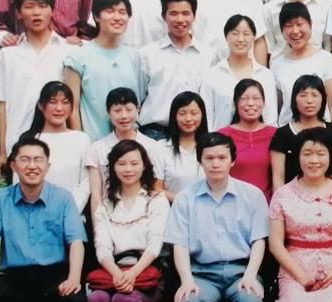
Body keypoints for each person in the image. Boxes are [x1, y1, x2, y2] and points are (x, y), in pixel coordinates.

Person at [0, 139, 87, 302]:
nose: (32, 166)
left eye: (38, 159)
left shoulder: (63, 198)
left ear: (47, 166)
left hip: (54, 276)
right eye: (25, 160)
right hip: (14, 278)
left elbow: (76, 241)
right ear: (13, 165)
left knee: (73, 299)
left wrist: (73, 279)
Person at [164, 132, 268, 302]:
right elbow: (179, 244)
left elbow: (259, 240)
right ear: (200, 161)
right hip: (200, 274)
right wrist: (187, 281)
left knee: (251, 299)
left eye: (222, 158)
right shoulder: (184, 198)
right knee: (189, 299)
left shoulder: (252, 195)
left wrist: (250, 276)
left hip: (241, 272)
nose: (215, 164)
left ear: (232, 161)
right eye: (209, 158)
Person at [0, 0, 73, 174]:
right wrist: (2, 152)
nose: (36, 12)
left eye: (43, 6)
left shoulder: (68, 52)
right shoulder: (8, 55)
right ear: (19, 13)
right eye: (29, 6)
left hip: (59, 146)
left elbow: (73, 103)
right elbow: (2, 106)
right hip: (18, 147)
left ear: (52, 11)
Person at [269, 127, 332, 301]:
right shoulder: (282, 194)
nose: (314, 160)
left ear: (330, 156)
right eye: (307, 154)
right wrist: (302, 277)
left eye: (321, 153)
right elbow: (275, 244)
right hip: (295, 273)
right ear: (298, 156)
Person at [88, 140, 170, 302]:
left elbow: (155, 244)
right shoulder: (105, 205)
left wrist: (132, 273)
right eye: (121, 164)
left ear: (144, 166)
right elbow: (102, 246)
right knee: (97, 298)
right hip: (113, 272)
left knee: (123, 299)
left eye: (134, 163)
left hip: (147, 273)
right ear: (113, 167)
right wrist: (117, 274)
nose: (128, 169)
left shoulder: (157, 200)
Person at [64, 0, 144, 141]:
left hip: (130, 145)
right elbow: (72, 108)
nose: (117, 17)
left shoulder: (135, 56)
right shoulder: (78, 57)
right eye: (110, 11)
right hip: (93, 143)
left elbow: (140, 102)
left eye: (122, 12)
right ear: (96, 16)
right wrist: (79, 143)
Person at [138, 0, 216, 140]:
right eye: (173, 13)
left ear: (194, 16)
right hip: (155, 133)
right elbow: (139, 96)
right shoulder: (148, 54)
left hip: (196, 133)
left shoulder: (208, 55)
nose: (180, 19)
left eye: (186, 13)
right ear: (164, 16)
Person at [86, 88, 163, 214]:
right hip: (109, 215)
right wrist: (98, 224)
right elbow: (96, 195)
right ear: (108, 112)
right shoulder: (96, 148)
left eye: (129, 109)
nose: (124, 116)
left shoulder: (152, 146)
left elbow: (155, 188)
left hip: (144, 214)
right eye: (117, 110)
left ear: (138, 109)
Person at [16, 81, 91, 211]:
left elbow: (86, 182)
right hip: (32, 213)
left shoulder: (81, 139)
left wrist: (69, 211)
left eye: (65, 102)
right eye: (53, 102)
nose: (59, 108)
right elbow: (18, 180)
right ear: (41, 105)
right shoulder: (29, 139)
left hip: (71, 214)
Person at [270, 2, 332, 129]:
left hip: (321, 133)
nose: (295, 31)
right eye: (288, 26)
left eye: (300, 24)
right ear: (282, 30)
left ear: (310, 24)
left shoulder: (326, 59)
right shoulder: (277, 64)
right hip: (289, 132)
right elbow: (279, 106)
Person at [199, 15, 278, 128]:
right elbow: (207, 117)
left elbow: (271, 118)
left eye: (246, 34)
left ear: (253, 38)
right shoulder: (212, 75)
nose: (240, 39)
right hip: (220, 138)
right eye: (235, 33)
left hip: (258, 138)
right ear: (226, 37)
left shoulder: (265, 75)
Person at [270, 75, 332, 190]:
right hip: (292, 196)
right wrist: (281, 200)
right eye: (303, 95)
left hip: (328, 195)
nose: (309, 101)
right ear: (294, 99)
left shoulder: (331, 130)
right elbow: (278, 178)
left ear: (323, 98)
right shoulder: (283, 134)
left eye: (314, 95)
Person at [217, 79, 277, 200]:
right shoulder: (222, 136)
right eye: (244, 98)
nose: (250, 103)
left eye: (256, 98)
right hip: (231, 203)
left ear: (264, 103)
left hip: (266, 205)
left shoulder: (276, 134)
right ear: (236, 103)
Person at [156, 92, 208, 201]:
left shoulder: (211, 146)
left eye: (194, 113)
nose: (188, 118)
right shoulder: (160, 148)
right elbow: (156, 188)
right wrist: (182, 202)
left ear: (202, 115)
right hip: (173, 207)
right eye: (182, 113)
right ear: (174, 116)